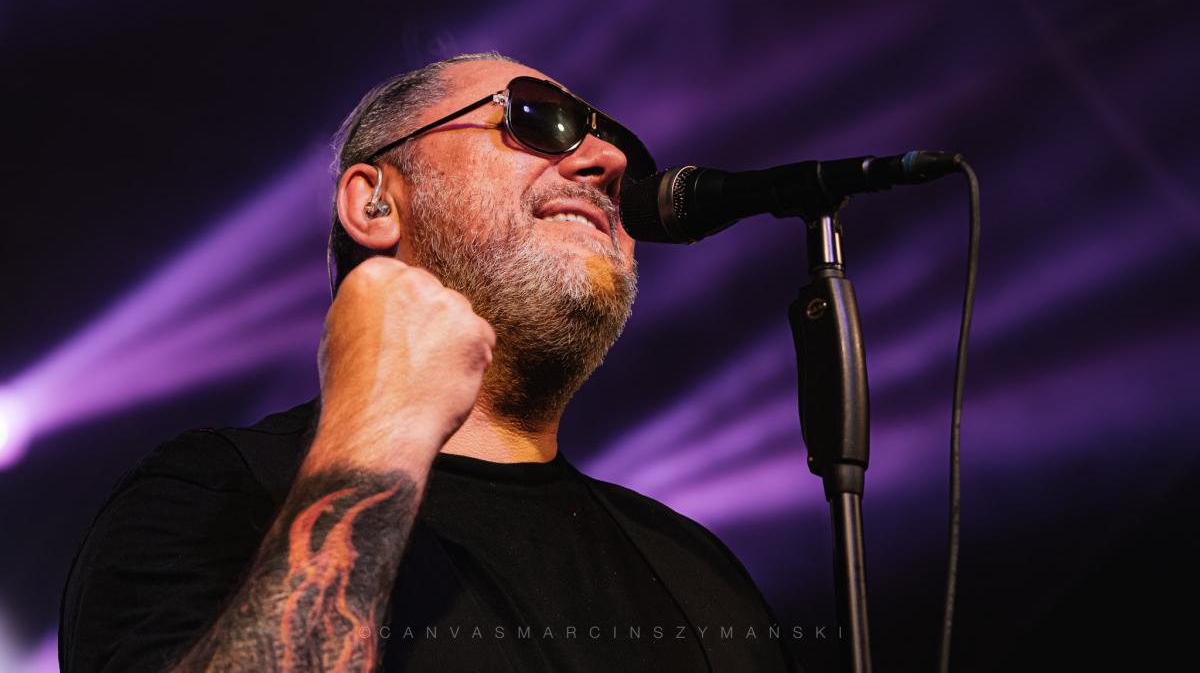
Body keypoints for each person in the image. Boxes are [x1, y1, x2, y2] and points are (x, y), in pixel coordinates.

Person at [59, 52, 799, 672]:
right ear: (374, 203)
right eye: (538, 118)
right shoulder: (217, 492)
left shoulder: (697, 572)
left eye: (620, 153)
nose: (608, 163)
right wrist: (380, 429)